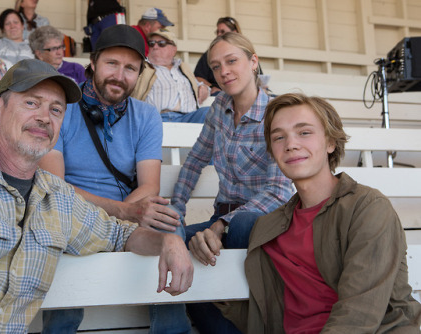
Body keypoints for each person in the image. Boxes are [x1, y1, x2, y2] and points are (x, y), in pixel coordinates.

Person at [0, 58, 194, 333]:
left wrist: (168, 241)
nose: (44, 117)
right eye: (31, 103)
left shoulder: (58, 197)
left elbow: (118, 235)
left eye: (56, 109)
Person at [194, 92, 421, 333]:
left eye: (304, 132)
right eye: (279, 137)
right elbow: (265, 315)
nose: (290, 144)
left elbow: (359, 316)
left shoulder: (367, 208)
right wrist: (212, 267)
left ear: (331, 142)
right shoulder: (268, 227)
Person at [38, 24, 191, 334]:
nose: (120, 75)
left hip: (126, 214)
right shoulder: (62, 106)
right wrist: (118, 213)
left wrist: (123, 215)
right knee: (56, 223)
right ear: (94, 62)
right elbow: (54, 185)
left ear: (140, 74)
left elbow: (149, 186)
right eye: (112, 63)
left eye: (131, 68)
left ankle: (172, 331)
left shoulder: (146, 115)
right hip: (69, 210)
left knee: (171, 222)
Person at [172, 32, 293, 333]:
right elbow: (196, 160)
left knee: (240, 226)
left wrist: (221, 225)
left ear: (253, 62)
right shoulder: (219, 107)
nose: (223, 71)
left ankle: (252, 315)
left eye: (231, 61)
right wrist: (176, 210)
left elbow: (279, 191)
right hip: (221, 219)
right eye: (215, 66)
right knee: (178, 242)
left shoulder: (278, 113)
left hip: (264, 223)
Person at [132, 30, 210, 123]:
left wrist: (204, 88)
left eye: (161, 43)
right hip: (158, 118)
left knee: (210, 111)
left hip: (189, 118)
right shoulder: (143, 67)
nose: (155, 47)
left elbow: (198, 85)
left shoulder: (182, 68)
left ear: (174, 49)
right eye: (151, 43)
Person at [194, 17, 241, 96]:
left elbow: (258, 77)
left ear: (234, 33)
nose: (219, 34)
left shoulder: (246, 52)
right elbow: (198, 77)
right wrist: (212, 87)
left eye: (222, 32)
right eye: (216, 67)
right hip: (218, 95)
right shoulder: (209, 54)